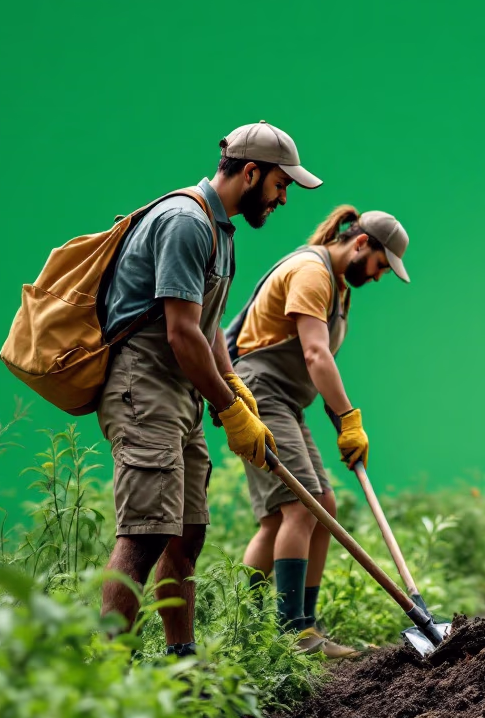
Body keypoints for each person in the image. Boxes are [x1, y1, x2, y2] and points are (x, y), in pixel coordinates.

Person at [97, 121, 322, 657]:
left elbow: (208, 332)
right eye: (280, 184)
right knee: (145, 534)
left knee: (186, 534)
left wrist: (236, 390)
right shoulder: (185, 222)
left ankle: (182, 662)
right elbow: (178, 334)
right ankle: (106, 680)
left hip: (182, 394)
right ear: (250, 172)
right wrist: (229, 408)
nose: (284, 196)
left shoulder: (221, 234)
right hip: (143, 386)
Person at [226, 205, 411, 658]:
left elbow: (317, 366)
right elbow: (315, 356)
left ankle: (253, 627)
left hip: (288, 400)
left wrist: (340, 420)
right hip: (261, 391)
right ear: (361, 243)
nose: (380, 276)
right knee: (300, 509)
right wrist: (347, 418)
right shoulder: (312, 272)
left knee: (316, 506)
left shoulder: (339, 286)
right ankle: (294, 633)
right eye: (381, 266)